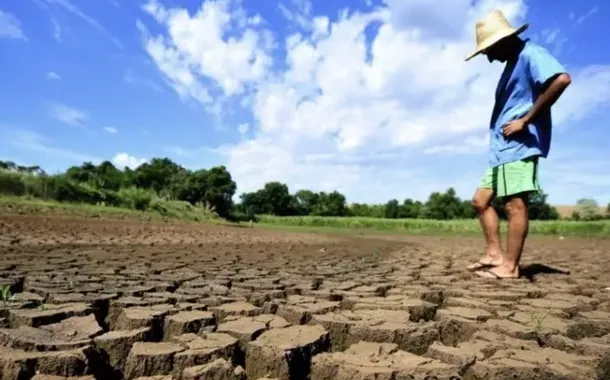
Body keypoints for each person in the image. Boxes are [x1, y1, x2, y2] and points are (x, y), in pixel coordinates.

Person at [464, 9, 572, 279]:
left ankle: (510, 267)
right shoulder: (513, 61)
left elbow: (562, 79)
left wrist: (526, 119)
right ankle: (494, 254)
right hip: (501, 148)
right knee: (480, 201)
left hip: (518, 145)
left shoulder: (530, 54)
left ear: (502, 40)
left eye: (488, 50)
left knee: (515, 205)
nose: (488, 58)